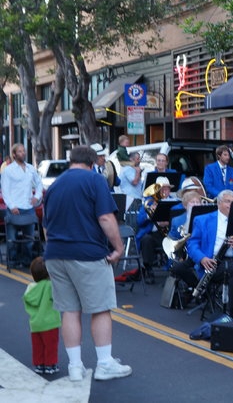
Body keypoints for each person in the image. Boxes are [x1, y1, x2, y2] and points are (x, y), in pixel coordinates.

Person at [42, 146, 131, 382]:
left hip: (55, 254)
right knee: (100, 308)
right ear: (92, 163)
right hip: (87, 253)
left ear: (72, 161)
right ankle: (104, 363)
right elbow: (105, 217)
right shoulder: (94, 179)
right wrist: (118, 247)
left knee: (69, 310)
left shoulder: (54, 186)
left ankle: (75, 366)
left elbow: (46, 227)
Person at [182, 190, 233, 318]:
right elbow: (192, 244)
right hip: (212, 263)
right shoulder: (203, 220)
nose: (231, 205)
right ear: (219, 203)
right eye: (228, 201)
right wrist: (202, 258)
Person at [1, 143, 43, 267]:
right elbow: (5, 189)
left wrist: (36, 197)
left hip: (29, 208)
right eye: (19, 151)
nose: (23, 153)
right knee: (12, 239)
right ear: (14, 154)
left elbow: (39, 184)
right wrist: (11, 205)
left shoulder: (31, 168)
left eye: (23, 151)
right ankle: (13, 261)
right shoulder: (8, 170)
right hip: (14, 209)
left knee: (29, 239)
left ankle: (26, 261)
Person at [23, 256, 61, 375]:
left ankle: (39, 365)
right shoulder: (50, 286)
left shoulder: (31, 287)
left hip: (35, 323)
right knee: (51, 345)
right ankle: (50, 365)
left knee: (38, 345)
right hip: (49, 322)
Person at [136, 176, 175, 283]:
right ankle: (148, 269)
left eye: (166, 189)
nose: (164, 191)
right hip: (153, 233)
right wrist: (150, 215)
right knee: (146, 240)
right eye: (161, 189)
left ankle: (174, 269)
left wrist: (168, 222)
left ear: (169, 190)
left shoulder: (174, 202)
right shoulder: (148, 202)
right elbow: (139, 222)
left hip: (169, 234)